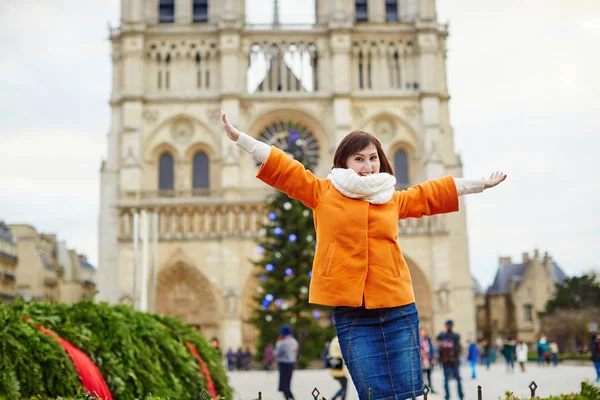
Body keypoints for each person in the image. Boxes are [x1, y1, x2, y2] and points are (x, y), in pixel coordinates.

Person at [221, 111, 507, 400]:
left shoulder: (391, 199)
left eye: (373, 158)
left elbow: (430, 194)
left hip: (398, 308)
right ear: (344, 161)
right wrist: (240, 139)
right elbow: (286, 169)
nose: (368, 165)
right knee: (373, 394)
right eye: (359, 159)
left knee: (409, 394)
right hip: (353, 312)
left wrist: (480, 184)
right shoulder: (322, 193)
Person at [437, 320, 464, 400]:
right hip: (454, 360)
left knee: (446, 379)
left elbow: (438, 337)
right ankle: (461, 395)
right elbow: (459, 348)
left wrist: (442, 330)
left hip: (445, 360)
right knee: (458, 378)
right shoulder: (455, 336)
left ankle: (447, 396)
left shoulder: (443, 336)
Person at [275, 324, 299, 400]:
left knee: (284, 384)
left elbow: (277, 353)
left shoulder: (282, 342)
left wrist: (277, 343)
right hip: (291, 363)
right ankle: (291, 397)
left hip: (283, 364)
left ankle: (289, 398)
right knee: (288, 383)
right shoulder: (294, 341)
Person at [419, 329, 436, 393]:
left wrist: (433, 358)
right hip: (421, 360)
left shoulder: (428, 339)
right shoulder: (418, 339)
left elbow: (431, 349)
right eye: (422, 332)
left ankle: (431, 388)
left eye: (424, 332)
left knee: (429, 375)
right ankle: (422, 389)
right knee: (421, 376)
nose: (423, 333)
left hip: (428, 359)